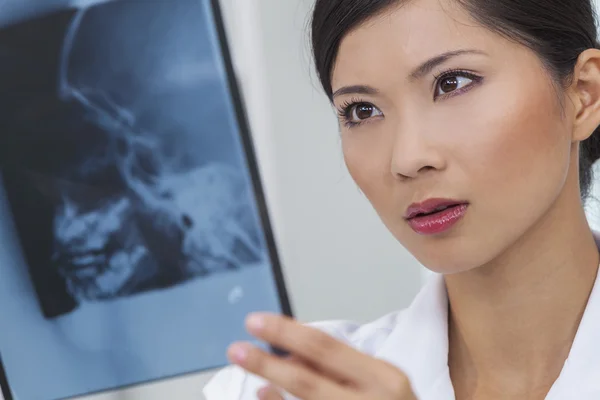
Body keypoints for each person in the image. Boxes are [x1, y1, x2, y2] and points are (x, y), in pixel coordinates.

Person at [203, 0, 600, 398]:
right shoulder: (273, 387)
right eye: (362, 110)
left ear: (585, 94)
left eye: (452, 83)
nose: (407, 159)